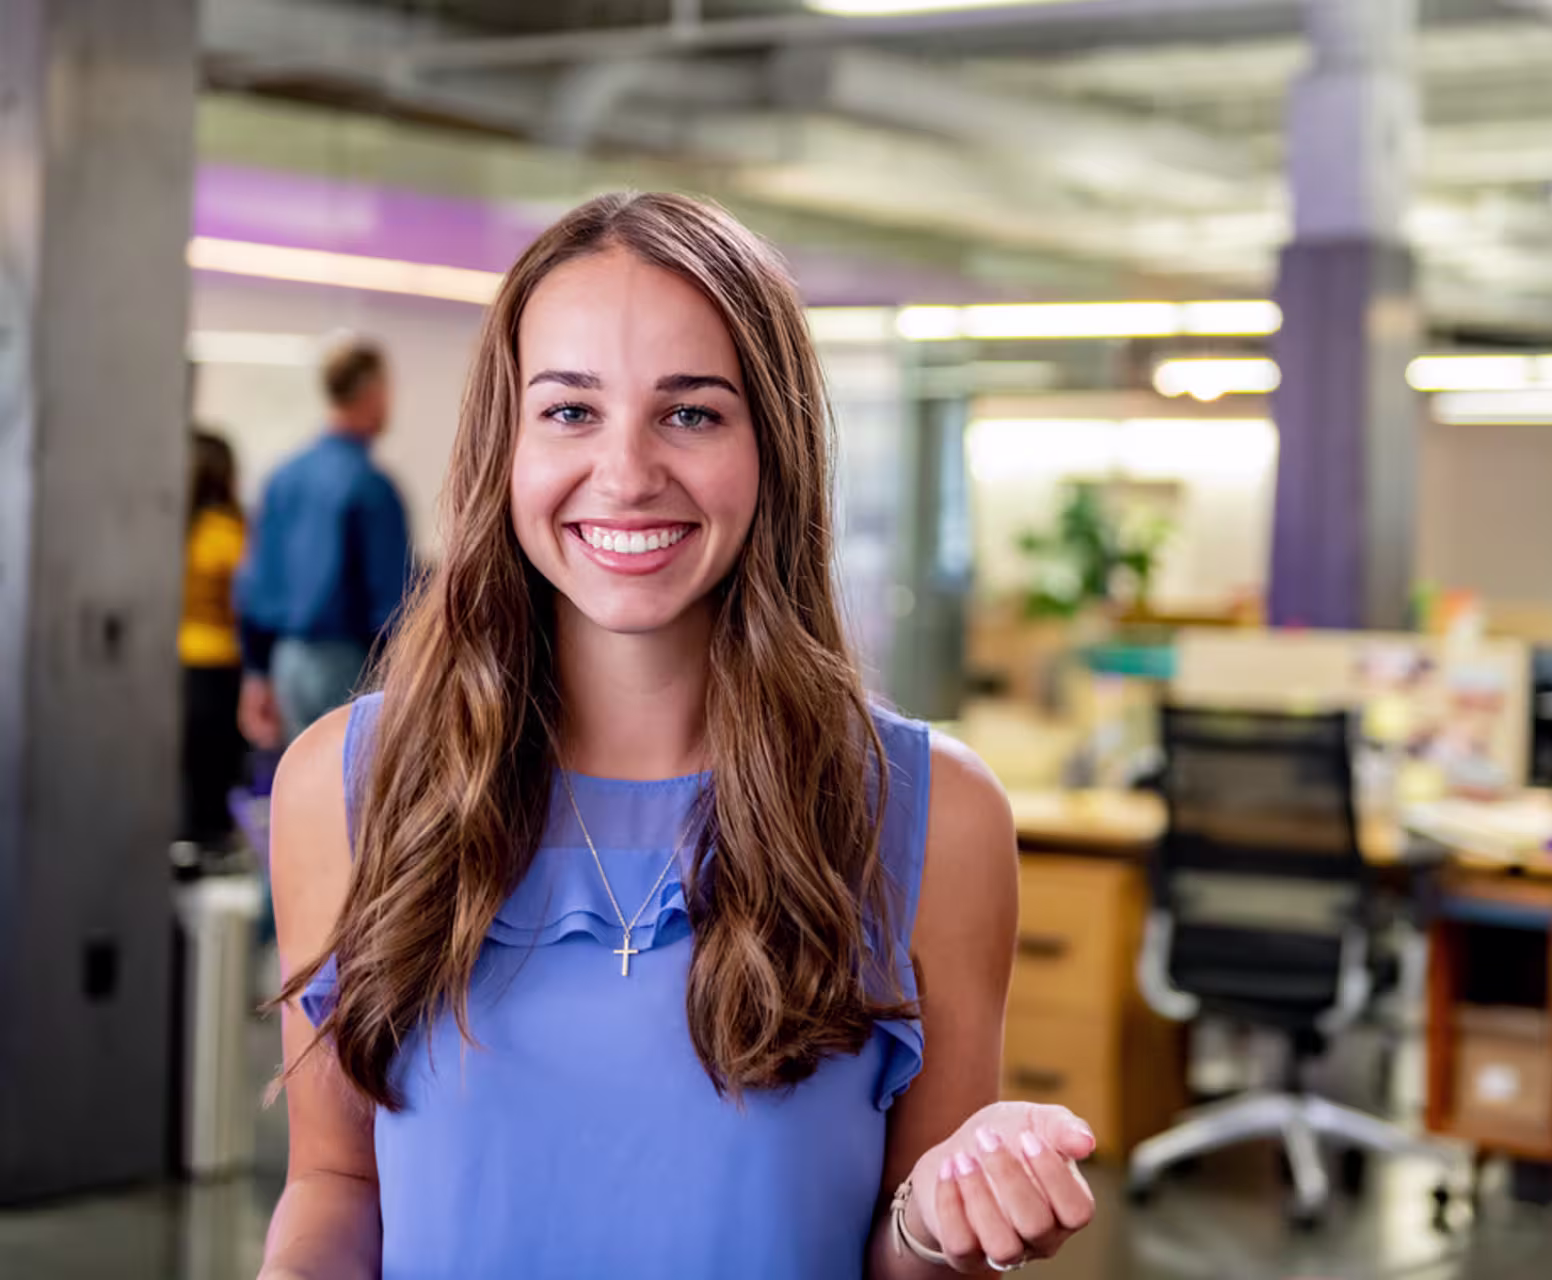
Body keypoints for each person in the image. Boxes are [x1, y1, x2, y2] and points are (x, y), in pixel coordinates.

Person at [261, 192, 1097, 1279]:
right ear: (503, 442)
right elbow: (337, 1182)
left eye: (691, 412)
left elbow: (908, 1255)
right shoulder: (346, 784)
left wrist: (944, 1217)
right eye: (569, 411)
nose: (625, 472)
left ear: (774, 445)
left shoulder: (933, 813)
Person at [236, 337, 411, 749]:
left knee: (302, 790)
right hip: (347, 664)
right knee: (354, 794)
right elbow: (393, 602)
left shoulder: (283, 478)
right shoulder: (370, 487)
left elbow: (255, 583)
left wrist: (256, 671)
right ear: (371, 392)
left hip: (287, 661)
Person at [178, 428, 249, 847]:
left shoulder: (179, 531)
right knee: (217, 775)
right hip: (221, 666)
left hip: (180, 660)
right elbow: (250, 601)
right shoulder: (227, 535)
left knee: (189, 774)